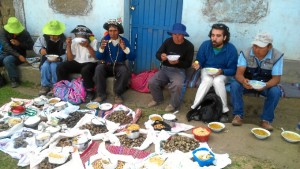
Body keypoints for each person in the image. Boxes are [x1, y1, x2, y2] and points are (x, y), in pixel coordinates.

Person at [230, 32, 283, 131]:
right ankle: (238, 115)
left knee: (275, 91)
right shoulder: (245, 53)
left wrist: (266, 85)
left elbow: (276, 78)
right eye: (254, 45)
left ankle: (266, 120)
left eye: (260, 47)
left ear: (269, 47)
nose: (256, 49)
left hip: (265, 85)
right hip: (248, 84)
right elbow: (239, 74)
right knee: (234, 85)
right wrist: (243, 81)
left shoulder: (277, 56)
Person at [191, 23, 238, 123]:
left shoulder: (231, 49)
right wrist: (197, 64)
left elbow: (233, 69)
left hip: (223, 73)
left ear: (225, 37)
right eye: (213, 35)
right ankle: (195, 108)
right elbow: (199, 60)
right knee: (207, 80)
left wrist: (222, 71)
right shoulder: (205, 45)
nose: (214, 38)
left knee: (218, 81)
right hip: (207, 71)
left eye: (218, 36)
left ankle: (224, 111)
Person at [148, 23, 194, 112]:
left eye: (179, 34)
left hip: (179, 70)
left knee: (178, 85)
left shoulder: (189, 46)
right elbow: (158, 54)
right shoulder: (168, 42)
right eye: (174, 34)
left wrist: (178, 62)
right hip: (165, 69)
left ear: (183, 35)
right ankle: (157, 99)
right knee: (152, 82)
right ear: (172, 34)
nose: (177, 37)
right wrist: (161, 56)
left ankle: (173, 105)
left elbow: (188, 64)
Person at [94, 19, 135, 104]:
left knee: (124, 71)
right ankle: (101, 95)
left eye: (115, 31)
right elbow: (98, 57)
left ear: (119, 31)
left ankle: (118, 94)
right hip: (106, 65)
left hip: (119, 66)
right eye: (110, 31)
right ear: (108, 31)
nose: (112, 33)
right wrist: (101, 48)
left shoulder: (124, 41)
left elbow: (132, 57)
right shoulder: (105, 40)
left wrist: (124, 48)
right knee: (99, 68)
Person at [56, 25, 98, 102]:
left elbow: (96, 57)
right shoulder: (74, 42)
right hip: (78, 62)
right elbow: (70, 59)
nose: (80, 37)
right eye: (78, 35)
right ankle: (62, 88)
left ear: (87, 35)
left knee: (86, 70)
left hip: (90, 62)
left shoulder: (93, 41)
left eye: (82, 35)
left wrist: (88, 46)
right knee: (61, 66)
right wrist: (68, 45)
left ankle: (90, 91)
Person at [33, 20, 66, 96]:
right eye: (51, 35)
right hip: (47, 59)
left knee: (54, 66)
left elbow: (67, 53)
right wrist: (41, 50)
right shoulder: (43, 38)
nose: (53, 36)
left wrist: (60, 59)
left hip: (59, 59)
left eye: (55, 35)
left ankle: (55, 86)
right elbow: (36, 46)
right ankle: (45, 85)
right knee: (44, 66)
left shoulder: (64, 40)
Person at [0, 17, 34, 88]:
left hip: (19, 54)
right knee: (4, 58)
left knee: (7, 60)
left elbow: (31, 46)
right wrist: (18, 55)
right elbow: (6, 46)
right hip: (7, 53)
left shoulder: (24, 33)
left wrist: (19, 44)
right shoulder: (3, 31)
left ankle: (14, 80)